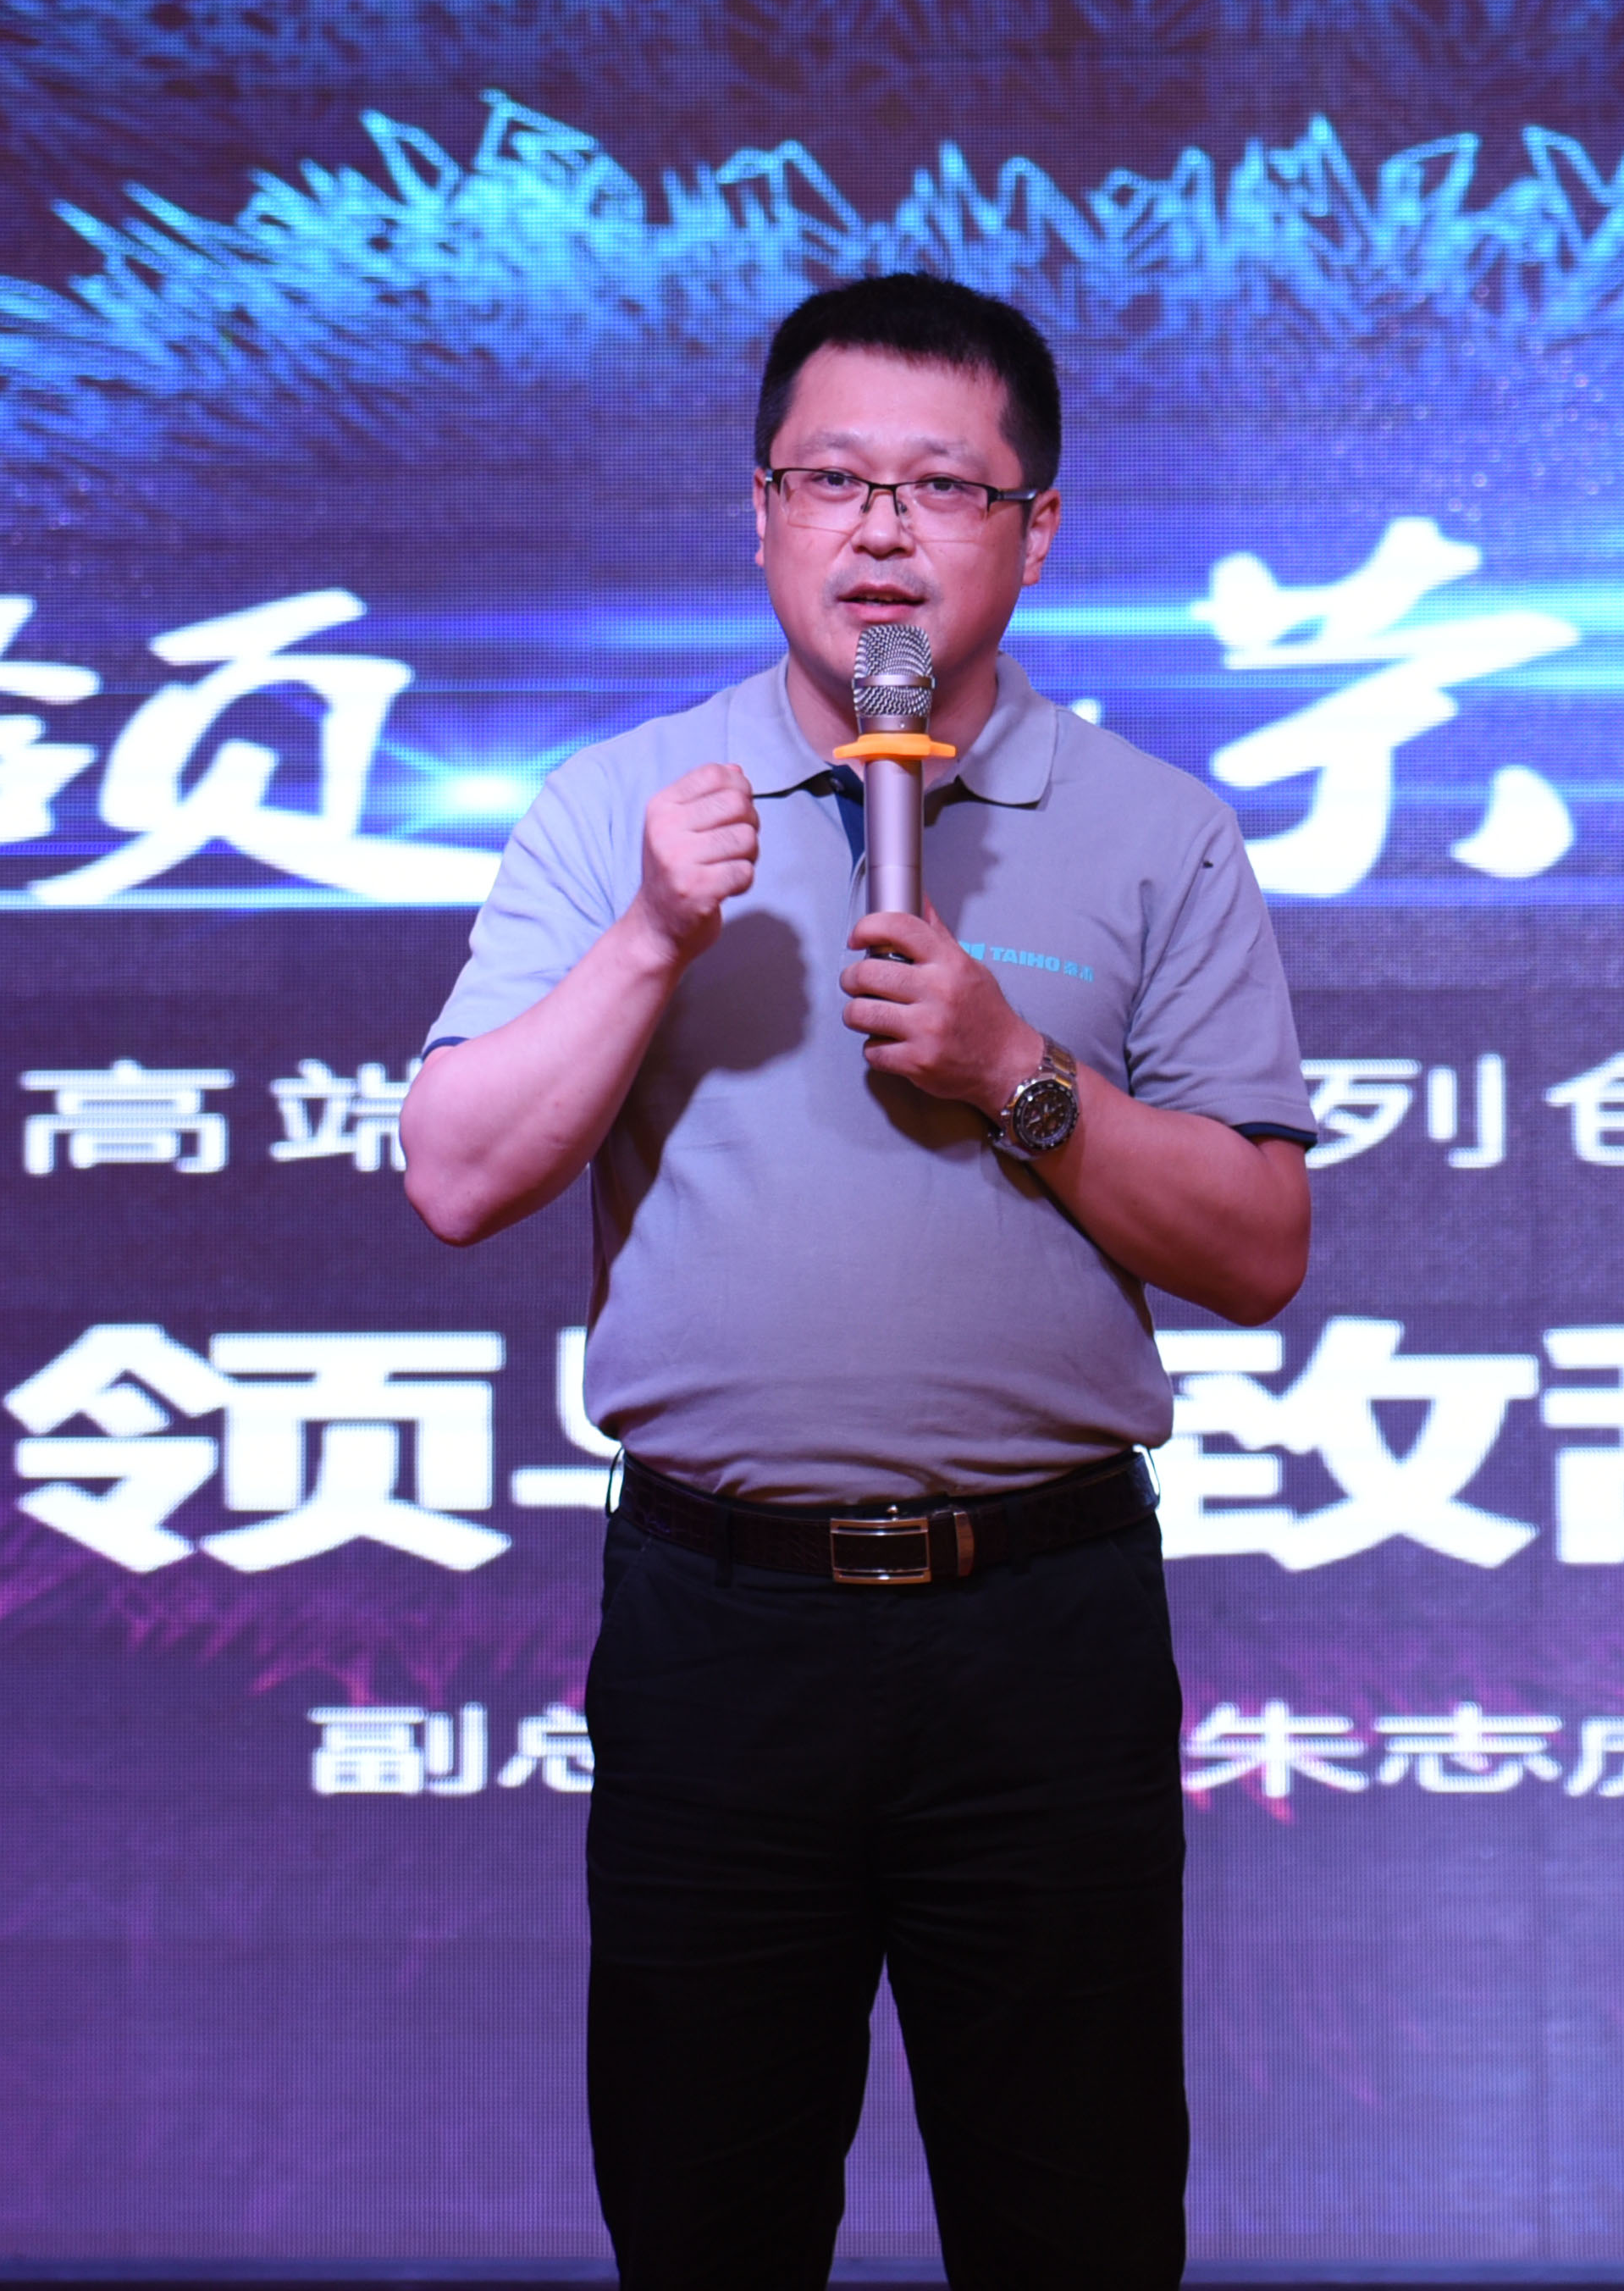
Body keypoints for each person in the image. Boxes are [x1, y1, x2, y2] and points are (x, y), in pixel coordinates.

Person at [401, 269, 1317, 2290]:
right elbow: (455, 1176)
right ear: (759, 511)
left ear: (1034, 528)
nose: (880, 530)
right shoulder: (618, 810)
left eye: (940, 485)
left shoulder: (1155, 831)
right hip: (720, 1628)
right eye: (831, 478)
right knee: (704, 2227)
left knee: (1074, 2231)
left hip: (1041, 1627)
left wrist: (1013, 1071)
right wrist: (648, 937)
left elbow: (1257, 1249)